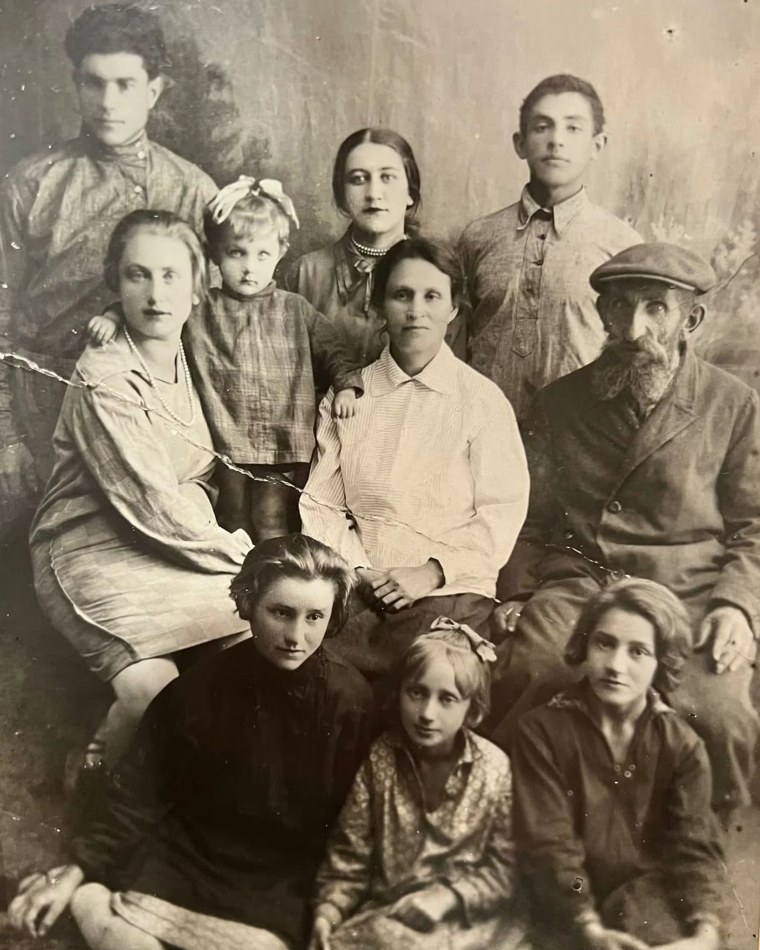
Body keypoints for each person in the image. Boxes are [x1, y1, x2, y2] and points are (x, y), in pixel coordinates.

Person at [489, 242, 760, 819]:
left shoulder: (733, 405)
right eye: (619, 308)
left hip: (684, 591)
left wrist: (738, 605)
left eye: (655, 309)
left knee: (716, 713)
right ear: (603, 314)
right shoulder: (560, 403)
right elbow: (529, 517)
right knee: (533, 674)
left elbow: (753, 527)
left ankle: (697, 859)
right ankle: (521, 830)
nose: (635, 329)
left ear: (691, 319)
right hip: (583, 580)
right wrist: (516, 589)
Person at [8, 534, 375, 950]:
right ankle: (97, 906)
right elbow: (139, 790)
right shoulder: (201, 688)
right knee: (120, 927)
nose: (295, 635)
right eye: (281, 612)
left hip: (282, 874)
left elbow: (354, 821)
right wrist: (76, 869)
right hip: (194, 854)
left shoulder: (350, 700)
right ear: (249, 604)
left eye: (314, 617)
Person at [29, 209, 253, 773]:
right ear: (116, 283)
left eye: (171, 275)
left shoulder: (191, 352)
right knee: (152, 683)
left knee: (256, 638)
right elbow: (150, 505)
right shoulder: (105, 375)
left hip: (171, 540)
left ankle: (200, 809)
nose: (156, 295)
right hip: (87, 551)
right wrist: (248, 556)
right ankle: (97, 797)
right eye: (138, 275)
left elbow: (191, 485)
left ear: (198, 284)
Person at [0, 3, 217, 503]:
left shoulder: (191, 190)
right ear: (76, 84)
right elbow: (2, 315)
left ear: (154, 90)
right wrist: (8, 439)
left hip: (151, 412)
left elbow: (217, 323)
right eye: (93, 83)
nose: (107, 101)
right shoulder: (30, 184)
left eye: (125, 84)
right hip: (41, 411)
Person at [300, 236, 529, 683]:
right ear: (381, 305)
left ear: (453, 310)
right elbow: (321, 505)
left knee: (415, 677)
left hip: (450, 595)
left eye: (431, 297)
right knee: (313, 675)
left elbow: (501, 515)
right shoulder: (350, 396)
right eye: (401, 295)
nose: (415, 310)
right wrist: (361, 573)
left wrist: (431, 572)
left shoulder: (482, 402)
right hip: (358, 590)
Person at [90, 176, 364, 542]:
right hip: (225, 435)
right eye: (237, 253)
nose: (250, 267)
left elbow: (336, 351)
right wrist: (111, 316)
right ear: (216, 253)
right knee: (232, 518)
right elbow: (155, 307)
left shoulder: (295, 309)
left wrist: (347, 387)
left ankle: (272, 585)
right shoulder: (203, 307)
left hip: (281, 440)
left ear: (281, 251)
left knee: (271, 519)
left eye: (262, 254)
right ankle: (236, 588)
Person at [512, 578, 726, 950]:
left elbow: (694, 847)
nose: (615, 665)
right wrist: (587, 926)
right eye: (604, 643)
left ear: (662, 661)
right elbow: (548, 842)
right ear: (585, 644)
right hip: (561, 902)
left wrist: (704, 932)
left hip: (644, 897)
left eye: (638, 652)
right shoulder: (541, 731)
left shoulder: (681, 745)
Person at [310, 620, 527, 950]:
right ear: (399, 693)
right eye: (417, 693)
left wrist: (449, 896)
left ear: (472, 709)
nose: (427, 713)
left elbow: (508, 869)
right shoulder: (382, 758)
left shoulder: (494, 769)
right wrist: (329, 909)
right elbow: (351, 853)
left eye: (447, 699)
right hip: (396, 915)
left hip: (471, 920)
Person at [458, 74, 641, 423]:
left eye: (573, 129)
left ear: (597, 145)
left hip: (582, 439)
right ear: (520, 143)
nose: (556, 141)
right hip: (486, 431)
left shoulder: (622, 244)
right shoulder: (477, 238)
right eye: (542, 127)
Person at [285, 127, 464, 366]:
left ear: (410, 192)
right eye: (358, 179)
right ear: (341, 196)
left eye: (387, 177)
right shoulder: (305, 275)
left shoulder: (439, 274)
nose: (373, 193)